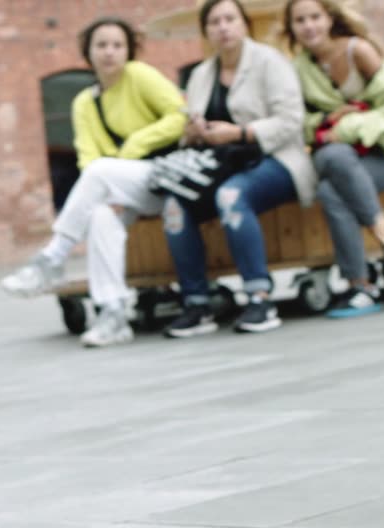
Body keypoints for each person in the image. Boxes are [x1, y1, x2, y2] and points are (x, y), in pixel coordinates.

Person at [0, 16, 186, 347]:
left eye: (117, 45)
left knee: (101, 172)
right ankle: (113, 313)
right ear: (88, 52)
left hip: (161, 180)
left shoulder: (139, 77)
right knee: (100, 216)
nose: (109, 52)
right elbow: (87, 157)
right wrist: (109, 187)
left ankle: (52, 258)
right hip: (119, 188)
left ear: (129, 51)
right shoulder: (84, 102)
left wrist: (135, 146)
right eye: (101, 45)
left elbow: (179, 115)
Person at [160, 0, 316, 338]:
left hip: (276, 160)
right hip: (220, 165)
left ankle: (259, 297)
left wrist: (241, 133)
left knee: (231, 196)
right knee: (174, 204)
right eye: (214, 22)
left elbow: (291, 122)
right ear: (206, 32)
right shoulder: (202, 74)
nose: (223, 27)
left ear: (243, 24)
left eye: (230, 19)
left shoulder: (269, 61)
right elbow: (194, 127)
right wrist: (194, 133)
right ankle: (196, 302)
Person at [283, 0, 384, 318]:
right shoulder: (299, 69)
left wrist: (348, 126)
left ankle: (360, 286)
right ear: (292, 28)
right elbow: (296, 122)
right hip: (332, 156)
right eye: (300, 20)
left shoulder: (358, 51)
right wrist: (327, 121)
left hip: (383, 157)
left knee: (332, 191)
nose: (308, 26)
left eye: (315, 17)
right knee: (334, 156)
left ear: (329, 19)